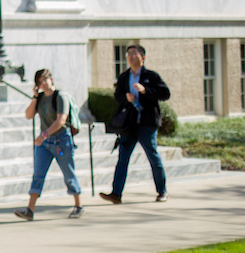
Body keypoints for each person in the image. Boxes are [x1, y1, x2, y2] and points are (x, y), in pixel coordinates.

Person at [101, 43, 172, 205]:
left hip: (146, 124)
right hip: (129, 124)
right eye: (128, 54)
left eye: (134, 53)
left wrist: (145, 90)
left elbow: (165, 93)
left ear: (142, 57)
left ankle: (162, 191)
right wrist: (126, 98)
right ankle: (116, 194)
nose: (130, 56)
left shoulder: (151, 76)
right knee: (122, 159)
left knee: (153, 157)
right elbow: (117, 97)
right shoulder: (124, 77)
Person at [13, 69, 84, 221]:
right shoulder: (40, 98)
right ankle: (29, 210)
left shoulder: (60, 96)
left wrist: (44, 135)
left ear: (52, 79)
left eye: (45, 80)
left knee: (68, 173)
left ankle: (78, 206)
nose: (43, 84)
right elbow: (28, 115)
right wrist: (34, 97)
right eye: (39, 82)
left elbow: (61, 120)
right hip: (44, 144)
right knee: (38, 174)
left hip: (61, 141)